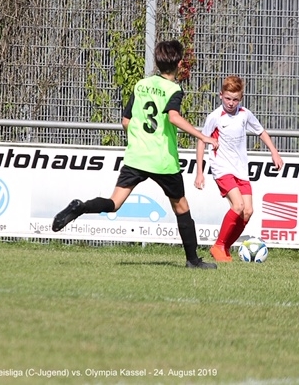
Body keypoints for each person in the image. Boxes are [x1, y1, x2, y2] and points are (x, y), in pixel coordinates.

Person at [52, 40, 219, 269]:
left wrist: (140, 138)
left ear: (157, 62)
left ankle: (81, 207)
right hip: (162, 159)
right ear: (179, 63)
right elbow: (173, 117)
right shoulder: (174, 89)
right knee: (181, 206)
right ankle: (193, 260)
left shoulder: (141, 85)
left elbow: (125, 121)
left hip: (137, 156)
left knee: (114, 203)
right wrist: (203, 137)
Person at [194, 75, 283, 262]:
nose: (231, 103)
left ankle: (225, 247)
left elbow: (261, 131)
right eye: (227, 98)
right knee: (238, 205)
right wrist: (200, 172)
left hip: (241, 169)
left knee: (248, 211)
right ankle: (218, 246)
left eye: (235, 99)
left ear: (241, 98)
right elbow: (202, 141)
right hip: (222, 168)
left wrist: (274, 152)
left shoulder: (244, 114)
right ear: (220, 95)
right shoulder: (215, 117)